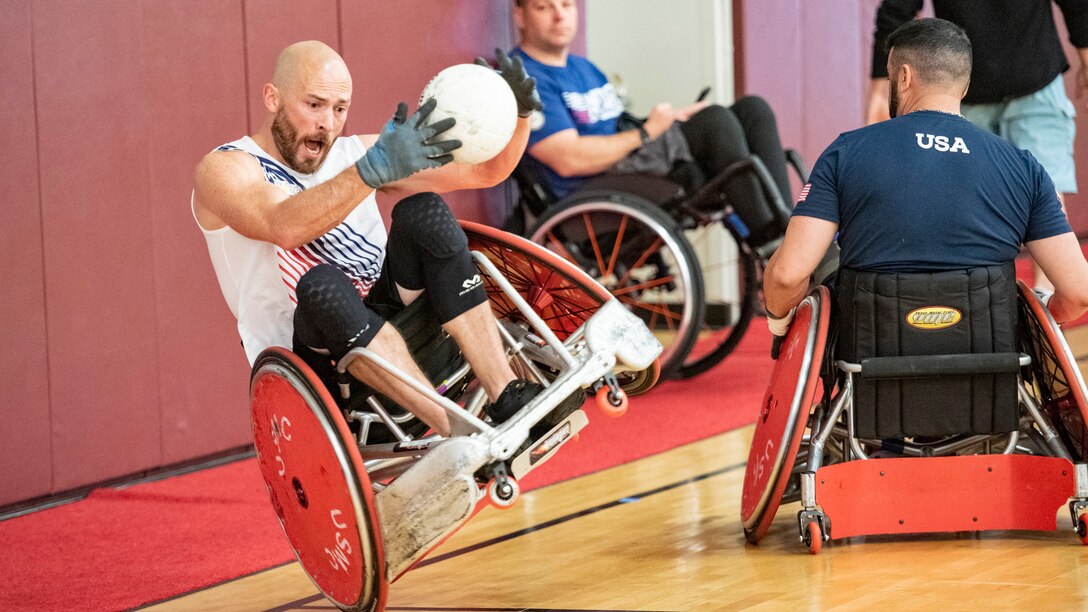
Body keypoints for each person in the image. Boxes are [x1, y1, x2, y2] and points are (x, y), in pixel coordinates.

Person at [192, 40, 564, 438]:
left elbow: (485, 171)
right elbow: (283, 226)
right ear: (272, 98)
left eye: (339, 109)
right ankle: (457, 433)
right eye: (314, 105)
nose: (328, 124)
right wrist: (370, 172)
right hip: (318, 366)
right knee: (321, 287)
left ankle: (506, 393)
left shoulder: (354, 153)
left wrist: (520, 115)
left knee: (423, 211)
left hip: (396, 325)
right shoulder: (225, 168)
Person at [764, 18, 1088, 350]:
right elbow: (1079, 292)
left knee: (819, 252)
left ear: (903, 76)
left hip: (870, 358)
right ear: (964, 85)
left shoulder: (846, 152)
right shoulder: (1024, 168)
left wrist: (779, 326)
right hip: (989, 361)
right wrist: (1035, 319)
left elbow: (787, 275)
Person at [510, 0, 792, 247]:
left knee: (751, 109)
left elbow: (618, 126)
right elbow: (568, 159)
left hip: (630, 159)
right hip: (592, 186)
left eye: (566, 4)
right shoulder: (525, 78)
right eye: (544, 6)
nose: (559, 15)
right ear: (520, 16)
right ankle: (774, 244)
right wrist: (646, 133)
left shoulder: (584, 68)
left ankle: (791, 231)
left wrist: (671, 120)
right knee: (714, 122)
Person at [866, 0, 1088, 289]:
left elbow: (896, 10)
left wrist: (880, 94)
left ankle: (985, 309)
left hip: (979, 85)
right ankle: (1044, 315)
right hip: (1019, 78)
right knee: (1045, 191)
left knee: (970, 200)